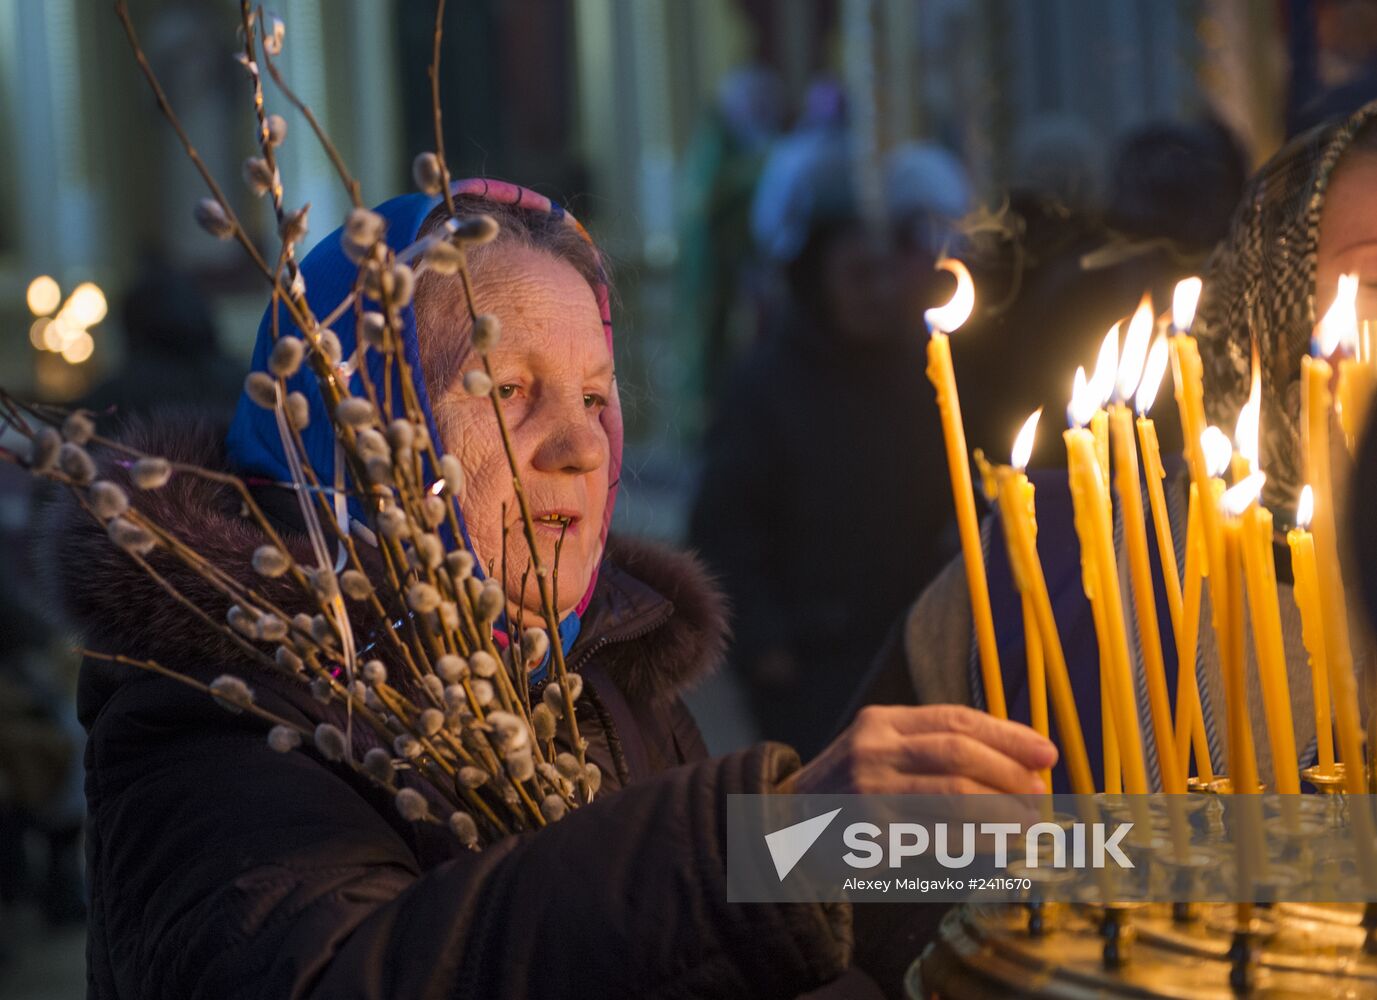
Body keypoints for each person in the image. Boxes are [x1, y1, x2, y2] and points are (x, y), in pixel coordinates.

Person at [55, 179, 1053, 999]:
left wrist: (1121, 857)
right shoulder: (213, 713)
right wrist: (776, 844)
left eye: (593, 395)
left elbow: (722, 949)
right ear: (349, 422)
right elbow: (340, 973)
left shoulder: (605, 674)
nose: (579, 448)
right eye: (504, 388)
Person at [859, 100, 1377, 794]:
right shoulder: (1047, 568)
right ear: (1267, 302)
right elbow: (799, 861)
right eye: (1373, 282)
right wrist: (848, 830)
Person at [690, 138, 972, 759]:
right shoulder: (766, 384)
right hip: (813, 665)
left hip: (911, 646)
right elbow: (726, 524)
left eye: (888, 274)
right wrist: (765, 647)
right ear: (818, 280)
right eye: (858, 275)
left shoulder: (921, 373)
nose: (878, 293)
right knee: (822, 832)